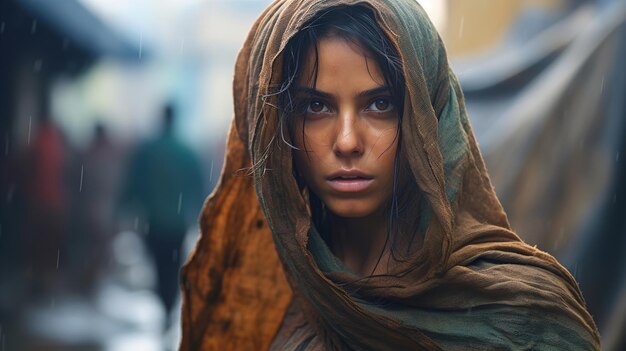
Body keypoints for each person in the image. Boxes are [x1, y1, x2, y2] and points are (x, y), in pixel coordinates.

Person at [180, 1, 601, 350]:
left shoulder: (523, 318)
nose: (347, 141)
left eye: (379, 104)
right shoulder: (263, 305)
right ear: (278, 128)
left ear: (425, 119)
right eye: (316, 106)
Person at [120, 104, 204, 319]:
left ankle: (164, 303)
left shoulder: (148, 150)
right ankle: (168, 304)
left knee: (159, 265)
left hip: (153, 222)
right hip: (177, 224)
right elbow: (199, 186)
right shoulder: (186, 152)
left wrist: (125, 206)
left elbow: (134, 182)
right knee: (173, 266)